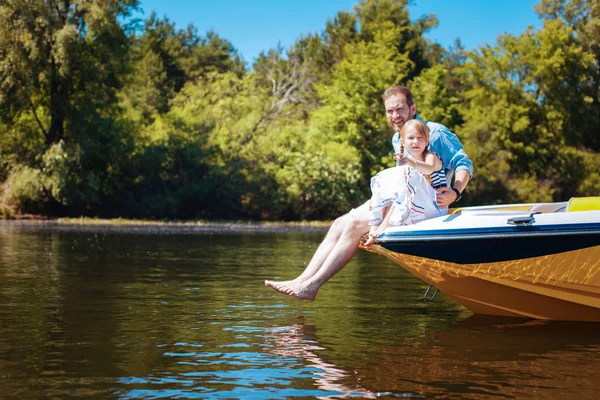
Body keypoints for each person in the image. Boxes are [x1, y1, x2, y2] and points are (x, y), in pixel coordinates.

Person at [265, 85, 473, 301]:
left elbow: (463, 162)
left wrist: (455, 192)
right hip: (403, 197)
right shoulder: (399, 137)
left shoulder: (433, 132)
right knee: (339, 223)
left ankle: (312, 286)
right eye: (389, 111)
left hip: (425, 204)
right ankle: (302, 280)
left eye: (399, 109)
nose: (394, 116)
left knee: (355, 225)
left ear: (413, 108)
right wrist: (379, 206)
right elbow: (401, 180)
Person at [363, 119, 445, 247]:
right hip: (417, 205)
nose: (416, 142)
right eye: (411, 138)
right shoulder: (407, 162)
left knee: (406, 173)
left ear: (427, 141)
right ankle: (375, 225)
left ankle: (383, 228)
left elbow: (429, 168)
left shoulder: (430, 156)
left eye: (420, 138)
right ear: (403, 142)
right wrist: (375, 199)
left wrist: (410, 163)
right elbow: (396, 188)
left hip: (436, 207)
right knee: (385, 177)